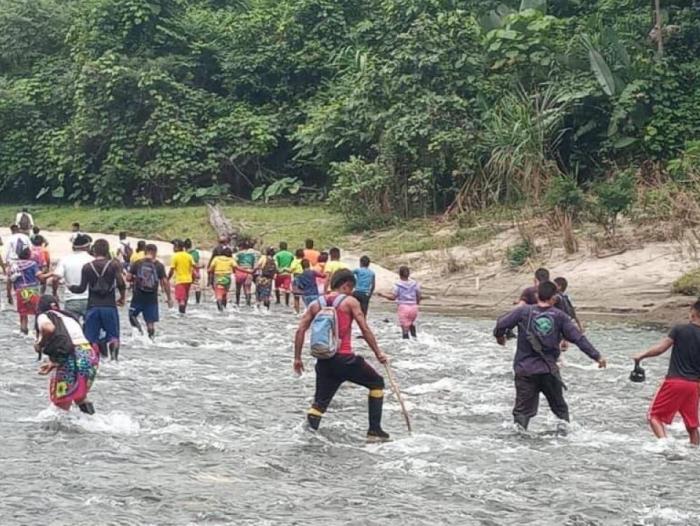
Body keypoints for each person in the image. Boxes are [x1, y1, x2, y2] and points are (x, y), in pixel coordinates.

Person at [493, 281, 607, 432]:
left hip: (525, 370)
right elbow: (578, 338)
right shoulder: (560, 316)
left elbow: (501, 323)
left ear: (536, 295)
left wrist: (500, 337)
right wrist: (597, 356)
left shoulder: (523, 311)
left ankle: (519, 440)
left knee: (522, 412)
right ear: (554, 298)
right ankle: (565, 438)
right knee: (560, 409)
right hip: (548, 370)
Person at [293, 269, 390, 441]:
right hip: (346, 360)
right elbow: (364, 328)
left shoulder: (316, 303)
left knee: (319, 405)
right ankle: (374, 431)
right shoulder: (350, 302)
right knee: (377, 384)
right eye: (351, 288)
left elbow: (300, 330)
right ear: (347, 285)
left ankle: (306, 439)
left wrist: (297, 358)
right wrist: (378, 353)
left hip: (324, 361)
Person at [632, 301, 700, 445]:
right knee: (692, 426)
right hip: (694, 386)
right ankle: (695, 451)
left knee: (653, 416)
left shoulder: (679, 330)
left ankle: (665, 446)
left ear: (693, 313)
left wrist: (641, 355)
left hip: (675, 382)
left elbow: (660, 349)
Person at [35, 295, 99, 414]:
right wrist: (54, 363)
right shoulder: (68, 317)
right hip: (89, 354)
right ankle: (93, 422)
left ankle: (59, 431)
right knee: (80, 396)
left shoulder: (45, 315)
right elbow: (69, 342)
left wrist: (39, 343)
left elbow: (48, 328)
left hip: (73, 357)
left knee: (61, 403)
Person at [69, 239, 126, 361]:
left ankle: (93, 361)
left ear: (94, 250)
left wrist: (70, 287)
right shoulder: (114, 265)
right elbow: (121, 283)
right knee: (113, 337)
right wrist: (122, 297)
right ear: (107, 250)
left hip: (93, 307)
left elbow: (81, 289)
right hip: (109, 307)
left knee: (91, 338)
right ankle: (114, 360)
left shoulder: (87, 267)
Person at [126, 244, 172, 339]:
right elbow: (165, 282)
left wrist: (135, 279)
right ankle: (151, 340)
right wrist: (169, 298)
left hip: (138, 296)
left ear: (145, 252)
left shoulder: (138, 263)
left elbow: (128, 278)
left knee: (132, 315)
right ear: (155, 252)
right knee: (150, 323)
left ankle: (140, 333)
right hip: (152, 298)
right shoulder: (159, 265)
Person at [49, 234, 93, 320]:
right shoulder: (91, 260)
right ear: (87, 246)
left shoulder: (65, 259)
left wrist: (54, 293)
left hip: (71, 299)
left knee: (72, 328)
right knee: (90, 328)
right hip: (89, 299)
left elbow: (55, 278)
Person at [378, 266, 421, 339]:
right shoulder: (415, 284)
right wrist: (417, 303)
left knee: (405, 329)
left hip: (403, 308)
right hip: (414, 307)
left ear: (399, 274)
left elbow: (393, 297)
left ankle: (407, 345)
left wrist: (382, 295)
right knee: (411, 324)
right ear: (409, 274)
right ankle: (415, 339)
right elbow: (418, 295)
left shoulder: (397, 285)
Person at [9, 247, 43, 334]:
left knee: (23, 314)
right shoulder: (32, 264)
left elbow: (9, 281)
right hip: (32, 290)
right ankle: (38, 332)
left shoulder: (14, 265)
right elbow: (40, 277)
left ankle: (23, 330)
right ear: (28, 255)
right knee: (37, 312)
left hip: (20, 291)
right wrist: (51, 274)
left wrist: (9, 295)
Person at [168, 240, 196, 314]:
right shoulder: (189, 256)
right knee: (185, 298)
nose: (173, 248)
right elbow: (193, 267)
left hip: (180, 280)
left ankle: (181, 315)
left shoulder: (175, 256)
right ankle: (184, 312)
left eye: (174, 246)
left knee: (181, 300)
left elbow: (172, 270)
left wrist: (168, 278)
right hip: (189, 280)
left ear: (178, 247)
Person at [207, 246, 236, 311]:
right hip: (227, 278)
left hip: (218, 278)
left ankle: (220, 311)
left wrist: (208, 271)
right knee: (225, 294)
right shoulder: (231, 259)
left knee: (218, 295)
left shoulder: (216, 258)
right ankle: (224, 308)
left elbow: (210, 269)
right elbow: (235, 267)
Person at [234, 240, 260, 308]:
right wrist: (253, 271)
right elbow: (256, 265)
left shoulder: (238, 254)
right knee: (248, 289)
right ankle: (248, 304)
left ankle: (237, 303)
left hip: (240, 271)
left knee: (238, 289)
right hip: (249, 272)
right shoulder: (252, 255)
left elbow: (234, 263)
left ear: (241, 247)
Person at [255, 247, 277, 312]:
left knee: (258, 294)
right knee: (267, 295)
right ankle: (267, 310)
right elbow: (276, 270)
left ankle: (257, 309)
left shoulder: (263, 258)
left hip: (261, 278)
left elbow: (257, 266)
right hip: (269, 280)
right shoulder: (274, 260)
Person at [274, 241, 294, 306]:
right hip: (287, 273)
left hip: (280, 273)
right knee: (287, 288)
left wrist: (278, 270)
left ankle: (278, 300)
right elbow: (293, 263)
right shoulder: (291, 254)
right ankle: (287, 302)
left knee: (277, 287)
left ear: (280, 247)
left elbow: (275, 264)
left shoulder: (277, 255)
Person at [184, 238, 203, 304]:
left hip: (187, 271)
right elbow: (196, 261)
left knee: (186, 286)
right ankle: (198, 301)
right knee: (197, 286)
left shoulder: (184, 253)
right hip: (195, 271)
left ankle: (185, 300)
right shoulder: (195, 253)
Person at [290, 248, 305, 314]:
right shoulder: (306, 261)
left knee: (296, 297)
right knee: (304, 295)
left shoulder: (295, 261)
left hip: (296, 278)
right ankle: (305, 309)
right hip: (304, 278)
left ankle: (297, 311)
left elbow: (291, 269)